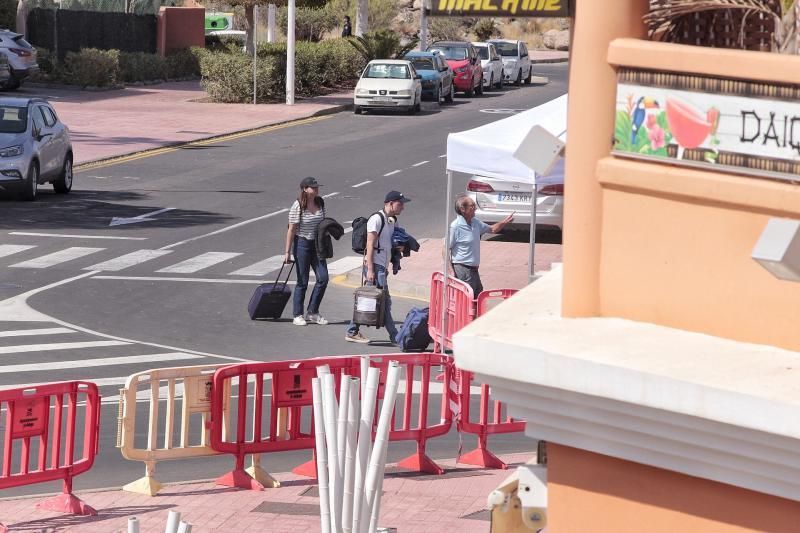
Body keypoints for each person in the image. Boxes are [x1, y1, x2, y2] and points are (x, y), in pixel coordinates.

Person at [345, 190, 411, 344]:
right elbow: (369, 245)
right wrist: (370, 270)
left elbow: (390, 243)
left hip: (381, 267)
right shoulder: (376, 219)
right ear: (390, 203)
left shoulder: (391, 220)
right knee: (381, 302)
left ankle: (352, 330)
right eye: (400, 204)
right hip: (375, 266)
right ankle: (394, 336)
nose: (403, 207)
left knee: (373, 300)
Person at [284, 177, 329, 326]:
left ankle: (313, 312)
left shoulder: (320, 202)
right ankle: (297, 314)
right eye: (313, 187)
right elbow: (291, 229)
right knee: (302, 281)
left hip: (317, 245)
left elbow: (322, 223)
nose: (316, 190)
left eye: (317, 187)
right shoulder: (298, 206)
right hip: (302, 244)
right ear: (305, 189)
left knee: (323, 278)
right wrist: (287, 252)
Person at [448, 194, 513, 296]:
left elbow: (492, 229)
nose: (475, 208)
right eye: (472, 206)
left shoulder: (475, 222)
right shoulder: (455, 227)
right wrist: (450, 269)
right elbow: (445, 249)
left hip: (473, 269)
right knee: (470, 298)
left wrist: (505, 222)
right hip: (463, 270)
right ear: (463, 209)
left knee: (478, 295)